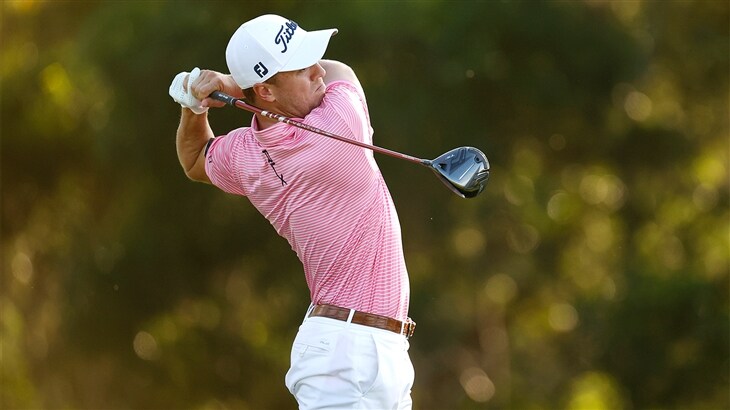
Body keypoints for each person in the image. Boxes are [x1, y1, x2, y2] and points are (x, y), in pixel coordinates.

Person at [169, 14, 415, 409]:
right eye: (303, 69)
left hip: (373, 348)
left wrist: (194, 106)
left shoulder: (245, 154)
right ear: (266, 91)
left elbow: (194, 158)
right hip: (346, 352)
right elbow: (343, 70)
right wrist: (231, 84)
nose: (319, 71)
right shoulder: (340, 122)